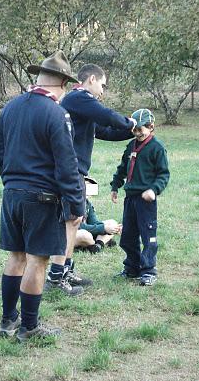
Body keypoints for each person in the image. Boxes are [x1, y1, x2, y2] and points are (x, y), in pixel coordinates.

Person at [0, 50, 84, 342]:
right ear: (61, 82)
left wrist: (12, 183)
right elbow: (67, 165)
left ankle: (8, 320)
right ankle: (29, 327)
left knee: (16, 256)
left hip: (12, 193)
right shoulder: (57, 113)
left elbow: (1, 154)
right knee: (38, 261)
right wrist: (76, 203)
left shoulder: (10, 107)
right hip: (42, 198)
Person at [45, 63, 137, 293]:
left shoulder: (82, 105)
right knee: (69, 222)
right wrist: (132, 122)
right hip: (69, 169)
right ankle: (57, 277)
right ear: (92, 79)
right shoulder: (79, 98)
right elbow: (106, 116)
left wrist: (130, 132)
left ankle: (65, 269)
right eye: (102, 85)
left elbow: (103, 130)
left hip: (75, 170)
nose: (103, 92)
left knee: (74, 221)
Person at [110, 108, 170, 286]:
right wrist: (115, 186)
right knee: (128, 236)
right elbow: (122, 167)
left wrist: (154, 189)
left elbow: (163, 175)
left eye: (141, 129)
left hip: (146, 201)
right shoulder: (131, 145)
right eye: (135, 130)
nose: (137, 133)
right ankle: (132, 268)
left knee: (148, 236)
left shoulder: (157, 148)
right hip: (130, 199)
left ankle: (148, 270)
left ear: (151, 127)